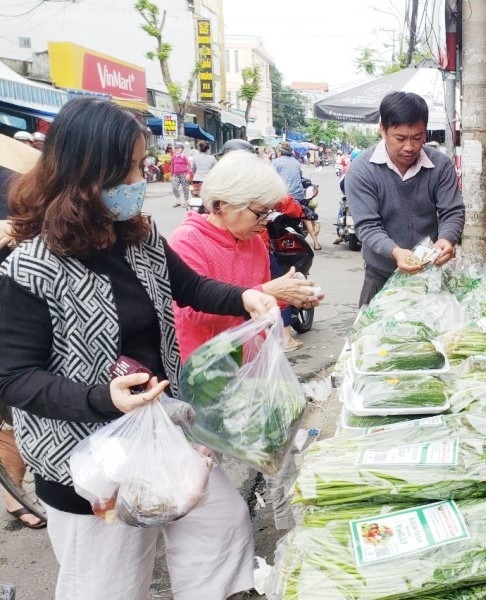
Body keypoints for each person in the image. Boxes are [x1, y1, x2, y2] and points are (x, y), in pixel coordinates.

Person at [0, 97, 278, 599]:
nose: (139, 179)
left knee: (220, 527)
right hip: (87, 462)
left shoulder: (137, 237)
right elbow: (14, 377)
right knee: (108, 583)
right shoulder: (30, 268)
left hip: (162, 431)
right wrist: (105, 398)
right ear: (90, 172)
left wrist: (246, 297)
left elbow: (189, 287)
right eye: (129, 168)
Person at [168, 151, 323, 359]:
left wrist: (292, 297)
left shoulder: (255, 242)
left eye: (269, 213)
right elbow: (193, 311)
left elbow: (263, 302)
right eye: (260, 213)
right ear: (224, 203)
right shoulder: (187, 241)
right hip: (206, 367)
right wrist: (267, 290)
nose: (266, 221)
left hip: (250, 360)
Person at [344, 91, 465, 306]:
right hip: (381, 276)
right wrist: (396, 252)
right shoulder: (362, 170)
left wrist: (446, 238)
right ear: (383, 129)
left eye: (417, 138)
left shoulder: (441, 165)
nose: (409, 147)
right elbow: (367, 226)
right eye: (400, 138)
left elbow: (452, 211)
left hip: (430, 275)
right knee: (372, 337)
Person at [0, 133, 44, 529]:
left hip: (15, 300)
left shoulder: (18, 165)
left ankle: (16, 490)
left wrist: (18, 231)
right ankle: (14, 492)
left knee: (17, 405)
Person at [271, 141, 321, 251]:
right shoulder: (296, 162)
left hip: (283, 196)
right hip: (298, 195)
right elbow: (299, 177)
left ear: (279, 152)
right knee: (305, 215)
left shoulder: (276, 162)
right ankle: (316, 243)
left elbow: (272, 179)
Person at [169, 141, 192, 208]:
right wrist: (171, 175)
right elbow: (172, 165)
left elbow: (189, 165)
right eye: (176, 148)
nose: (177, 150)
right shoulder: (174, 156)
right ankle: (178, 201)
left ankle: (186, 201)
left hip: (184, 174)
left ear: (182, 149)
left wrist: (188, 174)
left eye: (178, 148)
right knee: (174, 187)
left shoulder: (184, 156)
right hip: (176, 174)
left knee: (185, 188)